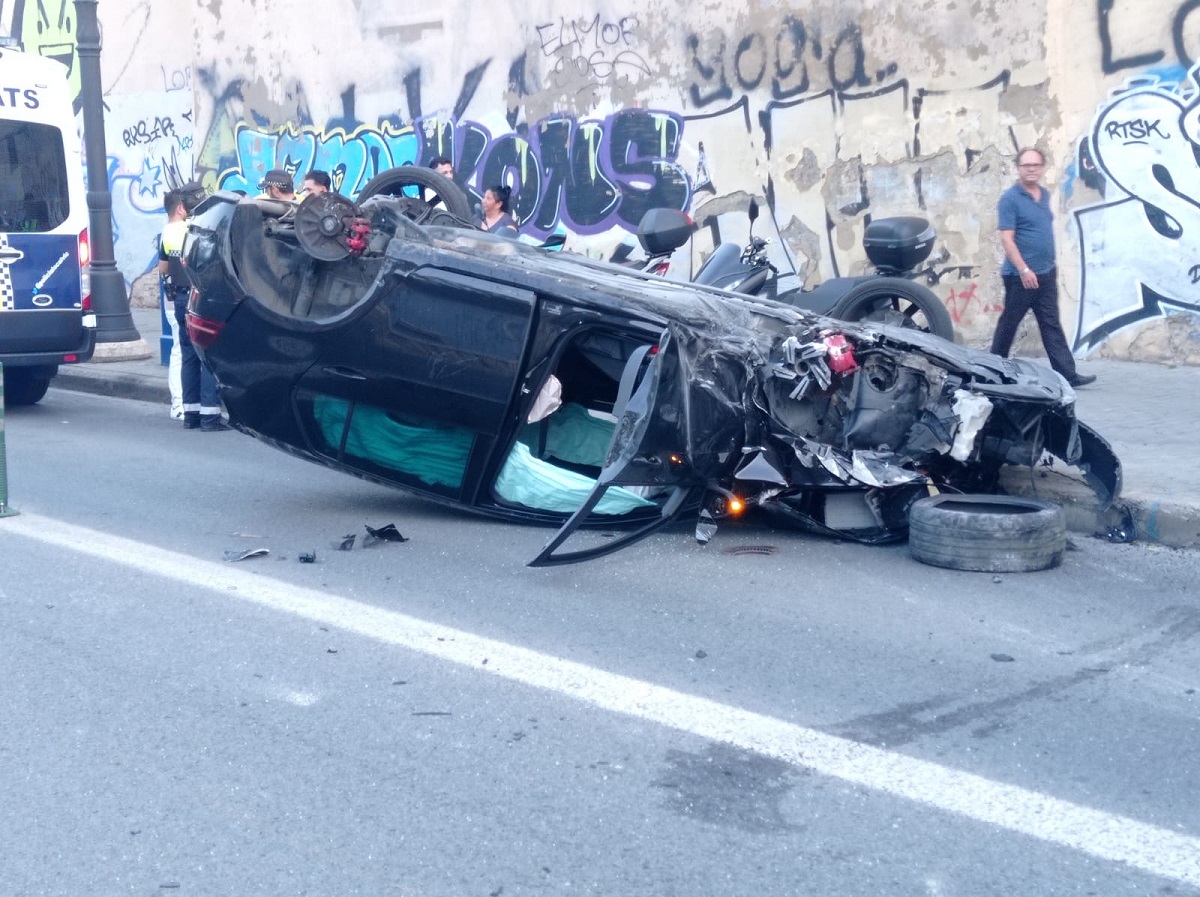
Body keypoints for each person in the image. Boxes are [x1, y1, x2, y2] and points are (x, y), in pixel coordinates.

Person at [990, 148, 1095, 388]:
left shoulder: (1044, 195)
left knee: (1051, 324)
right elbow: (1007, 239)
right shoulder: (1010, 199)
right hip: (1020, 276)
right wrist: (1024, 270)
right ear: (1018, 168)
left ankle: (1067, 375)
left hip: (1046, 273)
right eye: (1026, 165)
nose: (1031, 169)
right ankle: (992, 370)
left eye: (1035, 165)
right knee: (1009, 324)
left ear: (1042, 168)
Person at [158, 190, 229, 431]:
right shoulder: (197, 226)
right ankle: (210, 416)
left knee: (188, 354)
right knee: (207, 354)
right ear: (183, 207)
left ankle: (192, 414)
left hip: (180, 297)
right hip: (200, 296)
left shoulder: (168, 231)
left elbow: (163, 267)